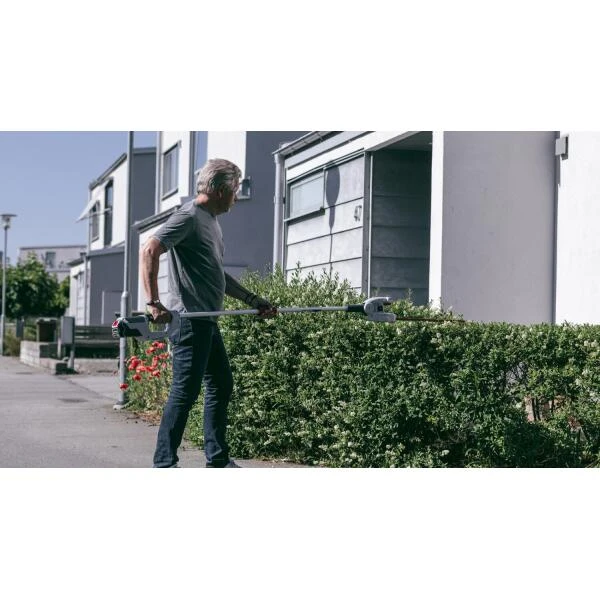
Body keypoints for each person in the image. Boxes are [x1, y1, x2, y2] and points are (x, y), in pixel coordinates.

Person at [141, 158, 277, 468]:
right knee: (184, 393)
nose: (236, 196)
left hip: (207, 321)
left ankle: (217, 460)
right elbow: (149, 249)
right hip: (191, 321)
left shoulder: (210, 221)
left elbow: (216, 274)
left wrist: (253, 300)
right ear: (219, 190)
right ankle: (164, 463)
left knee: (221, 384)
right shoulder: (189, 216)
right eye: (235, 189)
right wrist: (154, 302)